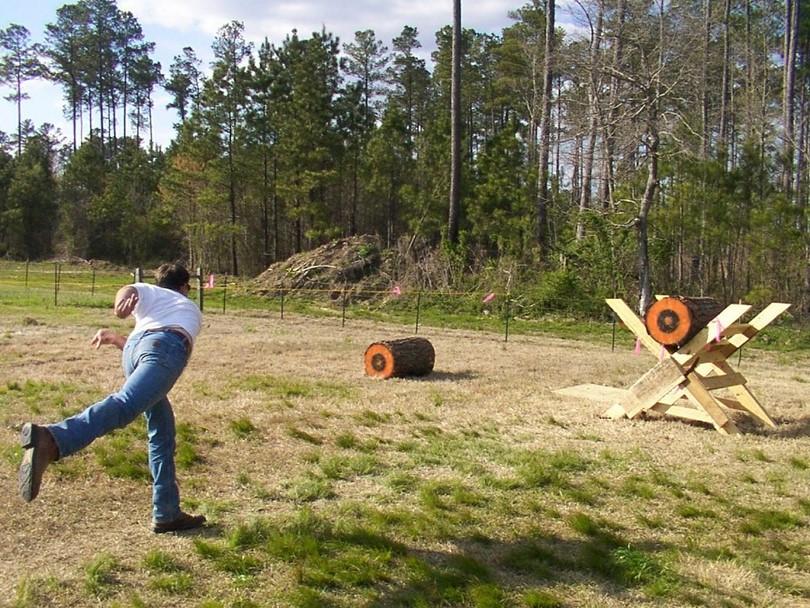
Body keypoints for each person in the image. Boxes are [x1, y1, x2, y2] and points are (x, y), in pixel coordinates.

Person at [19, 263, 207, 534]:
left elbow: (129, 293)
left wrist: (120, 322)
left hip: (136, 349)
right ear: (184, 288)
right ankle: (53, 439)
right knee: (124, 405)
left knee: (162, 431)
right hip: (163, 348)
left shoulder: (153, 297)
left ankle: (167, 513)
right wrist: (121, 305)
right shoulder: (181, 301)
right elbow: (128, 292)